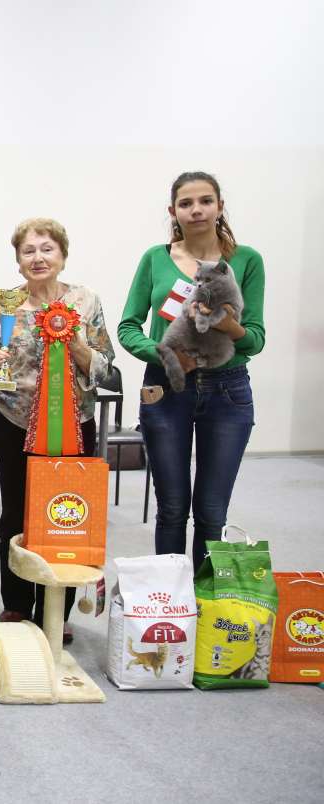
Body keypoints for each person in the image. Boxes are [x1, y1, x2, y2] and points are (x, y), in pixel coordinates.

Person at [118, 171, 265, 569]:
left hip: (228, 392)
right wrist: (164, 355)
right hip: (167, 389)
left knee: (212, 513)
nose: (196, 210)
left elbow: (255, 339)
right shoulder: (155, 258)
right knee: (171, 509)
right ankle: (169, 597)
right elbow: (128, 327)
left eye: (205, 201)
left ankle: (202, 597)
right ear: (173, 211)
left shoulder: (246, 261)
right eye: (186, 203)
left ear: (219, 207)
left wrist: (227, 326)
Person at [0, 218, 114, 637]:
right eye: (28, 251)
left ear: (62, 256)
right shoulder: (2, 306)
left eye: (47, 249)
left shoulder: (86, 301)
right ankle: (16, 605)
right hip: (15, 422)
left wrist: (77, 345)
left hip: (74, 424)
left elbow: (106, 368)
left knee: (66, 515)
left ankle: (58, 610)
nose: (38, 258)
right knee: (15, 514)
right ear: (18, 261)